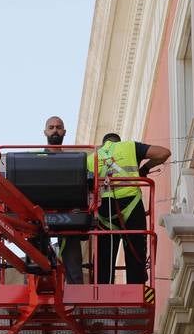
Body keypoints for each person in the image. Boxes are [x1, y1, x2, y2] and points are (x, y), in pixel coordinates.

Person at [87, 133, 170, 283]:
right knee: (135, 250)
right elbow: (164, 153)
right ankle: (136, 287)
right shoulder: (129, 146)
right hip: (131, 203)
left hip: (104, 211)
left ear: (103, 144)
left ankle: (102, 291)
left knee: (104, 257)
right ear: (119, 142)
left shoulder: (91, 158)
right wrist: (144, 170)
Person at [42, 116, 84, 284]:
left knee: (73, 257)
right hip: (40, 214)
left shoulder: (73, 160)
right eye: (51, 127)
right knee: (36, 255)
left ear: (64, 132)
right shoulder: (37, 158)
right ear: (45, 131)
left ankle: (77, 291)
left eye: (58, 127)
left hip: (68, 214)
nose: (55, 130)